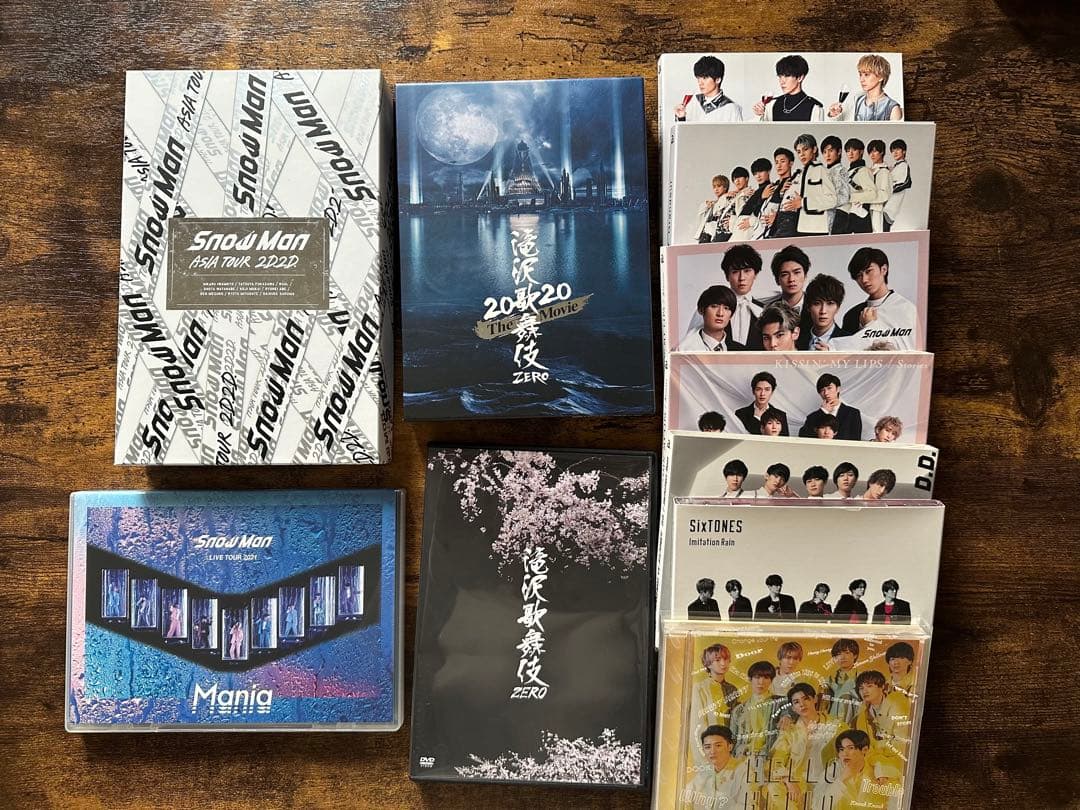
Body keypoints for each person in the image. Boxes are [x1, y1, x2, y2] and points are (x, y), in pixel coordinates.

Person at [767, 682, 845, 810]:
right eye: (796, 702)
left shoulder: (836, 725)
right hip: (799, 782)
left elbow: (853, 748)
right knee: (773, 787)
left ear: (815, 699)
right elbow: (776, 759)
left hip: (826, 780)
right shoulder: (790, 731)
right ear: (793, 708)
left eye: (806, 699)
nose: (802, 704)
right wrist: (788, 780)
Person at [839, 246, 918, 349]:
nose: (864, 280)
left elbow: (911, 351)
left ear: (884, 269)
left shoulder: (906, 309)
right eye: (859, 275)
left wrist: (869, 327)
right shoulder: (852, 316)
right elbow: (845, 353)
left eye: (868, 271)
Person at [815, 729, 898, 809]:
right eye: (841, 749)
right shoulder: (831, 772)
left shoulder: (880, 772)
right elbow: (818, 806)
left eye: (850, 748)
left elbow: (896, 802)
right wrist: (841, 780)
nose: (844, 753)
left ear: (865, 750)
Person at [853, 670, 909, 779]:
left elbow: (903, 744)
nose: (865, 691)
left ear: (882, 687)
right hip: (874, 760)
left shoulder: (897, 707)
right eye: (861, 688)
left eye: (869, 686)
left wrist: (877, 746)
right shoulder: (863, 714)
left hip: (898, 761)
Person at [684, 725, 750, 809]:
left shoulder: (744, 771)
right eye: (707, 747)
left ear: (730, 747)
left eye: (718, 746)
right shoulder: (705, 771)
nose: (712, 751)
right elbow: (686, 795)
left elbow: (747, 806)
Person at [827, 54, 903, 121]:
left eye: (866, 74)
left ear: (881, 77)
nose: (861, 79)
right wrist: (834, 115)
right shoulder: (857, 101)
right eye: (860, 75)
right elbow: (842, 127)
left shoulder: (893, 108)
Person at [788, 134, 837, 236]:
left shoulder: (822, 171)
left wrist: (803, 202)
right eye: (798, 152)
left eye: (805, 149)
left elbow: (832, 200)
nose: (802, 154)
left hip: (817, 229)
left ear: (814, 149)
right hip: (800, 226)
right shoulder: (800, 174)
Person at [753, 54, 825, 121]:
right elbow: (761, 129)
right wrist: (759, 115)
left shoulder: (815, 107)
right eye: (780, 76)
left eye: (787, 76)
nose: (782, 82)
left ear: (800, 78)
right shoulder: (772, 104)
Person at [763, 244, 813, 338]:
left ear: (805, 275)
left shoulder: (816, 307)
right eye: (785, 274)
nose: (791, 279)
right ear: (777, 280)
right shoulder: (768, 310)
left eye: (797, 272)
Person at [720, 244, 766, 347]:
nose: (741, 278)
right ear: (727, 276)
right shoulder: (714, 308)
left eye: (747, 271)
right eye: (735, 272)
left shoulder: (765, 311)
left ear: (755, 274)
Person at [674, 55, 744, 122]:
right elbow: (685, 129)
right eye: (698, 78)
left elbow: (739, 130)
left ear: (718, 79)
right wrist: (681, 118)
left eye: (705, 78)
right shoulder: (693, 102)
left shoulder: (731, 108)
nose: (700, 83)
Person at [678, 284, 745, 351]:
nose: (720, 313)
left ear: (731, 315)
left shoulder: (741, 350)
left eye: (726, 308)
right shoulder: (685, 349)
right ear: (701, 310)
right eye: (714, 306)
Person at [799, 373, 863, 441]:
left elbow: (856, 440)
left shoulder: (853, 413)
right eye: (822, 390)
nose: (826, 393)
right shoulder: (813, 416)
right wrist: (822, 412)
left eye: (829, 388)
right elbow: (803, 436)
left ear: (838, 389)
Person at [693, 643, 742, 729]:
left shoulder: (732, 689)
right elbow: (699, 721)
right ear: (708, 664)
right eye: (718, 660)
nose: (723, 663)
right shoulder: (700, 688)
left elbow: (736, 719)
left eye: (725, 659)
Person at [798, 273, 851, 350]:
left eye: (830, 303)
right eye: (817, 303)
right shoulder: (797, 339)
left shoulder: (848, 341)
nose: (823, 311)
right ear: (808, 307)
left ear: (838, 307)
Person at [731, 158, 776, 242]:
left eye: (761, 171)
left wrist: (762, 198)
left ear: (768, 171)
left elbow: (760, 211)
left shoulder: (769, 188)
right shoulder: (757, 191)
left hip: (749, 226)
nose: (758, 176)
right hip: (742, 225)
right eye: (755, 173)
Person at [735, 371, 789, 435]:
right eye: (758, 389)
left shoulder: (781, 415)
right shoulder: (740, 414)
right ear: (753, 391)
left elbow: (784, 439)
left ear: (772, 392)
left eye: (767, 389)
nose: (762, 394)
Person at [840, 138, 876, 234]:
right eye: (848, 151)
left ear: (861, 152)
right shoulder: (849, 172)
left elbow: (872, 194)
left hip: (860, 216)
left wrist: (849, 197)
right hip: (849, 214)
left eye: (854, 150)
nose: (850, 153)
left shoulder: (863, 171)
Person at [762, 148, 799, 238]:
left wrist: (777, 218)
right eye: (776, 162)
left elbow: (792, 208)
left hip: (784, 230)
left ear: (791, 163)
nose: (779, 165)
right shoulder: (772, 186)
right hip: (764, 230)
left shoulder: (795, 182)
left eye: (782, 161)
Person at [823, 639, 862, 725]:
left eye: (847, 653)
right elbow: (823, 707)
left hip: (853, 723)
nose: (842, 657)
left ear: (855, 655)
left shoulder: (861, 679)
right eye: (838, 654)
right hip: (831, 723)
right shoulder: (828, 680)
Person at [821, 135, 850, 234]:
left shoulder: (841, 171)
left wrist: (825, 202)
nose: (827, 155)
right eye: (824, 152)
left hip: (838, 217)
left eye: (831, 151)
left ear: (839, 151)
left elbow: (844, 197)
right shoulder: (825, 172)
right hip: (826, 217)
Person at [866, 139, 892, 233]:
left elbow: (885, 194)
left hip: (878, 209)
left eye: (875, 151)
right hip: (868, 208)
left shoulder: (884, 171)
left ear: (882, 152)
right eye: (870, 152)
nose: (872, 155)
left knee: (877, 233)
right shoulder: (870, 170)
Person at [884, 139, 911, 230]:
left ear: (904, 151)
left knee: (883, 231)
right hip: (886, 207)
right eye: (892, 150)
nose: (894, 152)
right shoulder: (897, 166)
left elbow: (904, 183)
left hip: (890, 208)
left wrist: (887, 189)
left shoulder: (903, 166)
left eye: (897, 149)